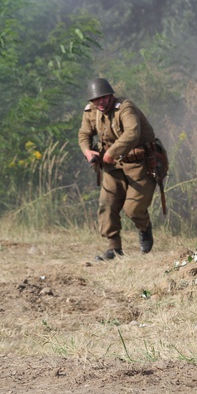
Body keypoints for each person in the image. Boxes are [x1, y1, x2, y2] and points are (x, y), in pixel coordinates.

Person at [78, 78, 159, 261]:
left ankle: (144, 228)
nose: (100, 102)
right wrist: (87, 151)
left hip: (140, 164)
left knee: (133, 208)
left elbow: (132, 133)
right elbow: (84, 134)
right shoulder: (91, 111)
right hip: (112, 167)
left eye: (104, 98)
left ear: (111, 95)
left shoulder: (125, 108)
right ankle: (113, 248)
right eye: (96, 100)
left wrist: (112, 152)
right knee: (107, 204)